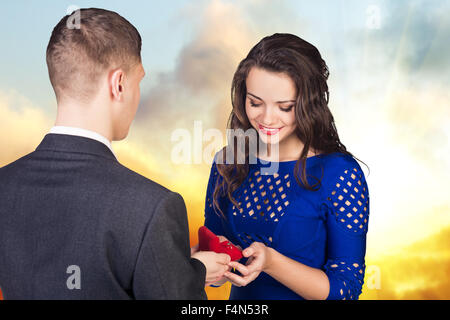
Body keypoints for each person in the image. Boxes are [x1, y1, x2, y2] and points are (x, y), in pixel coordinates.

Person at [0, 7, 230, 300]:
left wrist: (169, 260)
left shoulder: (5, 184)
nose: (138, 94)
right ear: (118, 84)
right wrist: (191, 275)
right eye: (139, 81)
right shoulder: (153, 206)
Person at [204, 33, 370, 300]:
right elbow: (213, 264)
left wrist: (272, 262)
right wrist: (196, 264)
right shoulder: (229, 162)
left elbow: (346, 290)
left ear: (309, 104)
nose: (267, 118)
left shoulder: (340, 173)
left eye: (285, 107)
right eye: (255, 103)